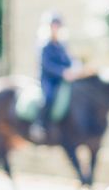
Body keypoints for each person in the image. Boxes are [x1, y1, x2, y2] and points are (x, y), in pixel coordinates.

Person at [30, 12, 76, 142]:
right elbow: (47, 65)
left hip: (62, 79)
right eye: (53, 26)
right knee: (48, 97)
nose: (56, 28)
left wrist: (73, 68)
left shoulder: (62, 45)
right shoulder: (44, 45)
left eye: (58, 26)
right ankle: (38, 125)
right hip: (48, 79)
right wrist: (63, 72)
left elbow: (68, 61)